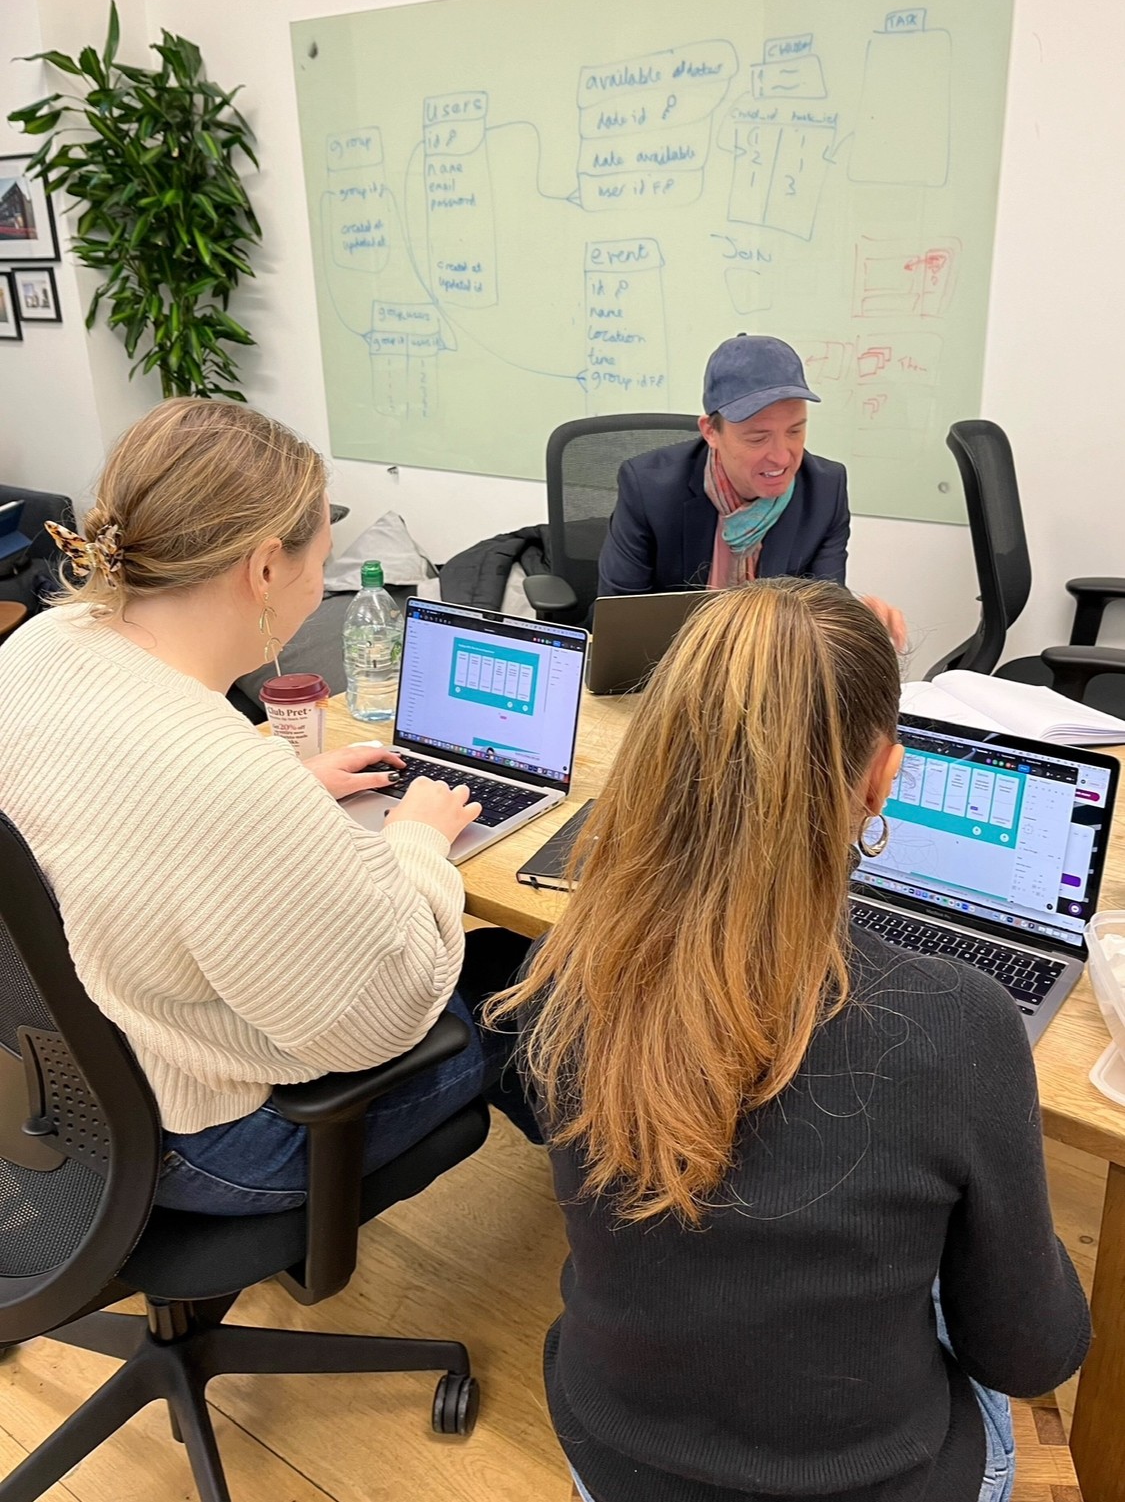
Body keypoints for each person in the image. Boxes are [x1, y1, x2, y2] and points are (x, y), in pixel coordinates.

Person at [490, 579, 1089, 1502]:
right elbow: (1027, 1353)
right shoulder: (958, 1021)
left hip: (616, 1461)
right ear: (882, 778)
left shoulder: (558, 974)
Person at [0, 398, 537, 1217]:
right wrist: (417, 840)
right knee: (537, 983)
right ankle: (632, 1232)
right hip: (208, 1144)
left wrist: (289, 790)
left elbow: (109, 816)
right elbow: (381, 1020)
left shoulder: (42, 643)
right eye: (321, 559)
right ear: (262, 570)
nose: (319, 583)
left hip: (60, 1097)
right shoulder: (222, 776)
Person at [597, 333, 906, 648]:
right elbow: (621, 620)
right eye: (758, 438)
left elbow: (820, 612)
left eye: (795, 431)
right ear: (710, 432)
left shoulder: (825, 491)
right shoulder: (650, 489)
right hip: (670, 659)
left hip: (771, 664)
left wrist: (852, 623)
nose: (782, 457)